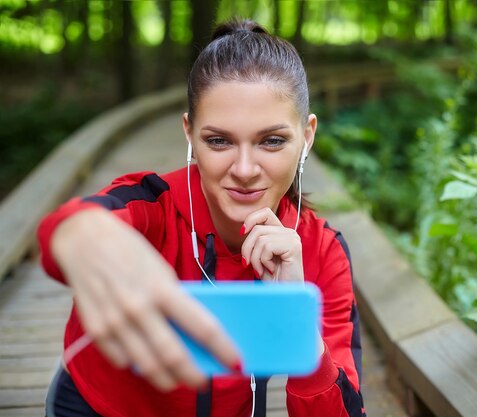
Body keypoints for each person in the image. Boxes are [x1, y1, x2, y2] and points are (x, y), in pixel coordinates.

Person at [37, 19, 366, 417]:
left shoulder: (322, 251)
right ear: (190, 134)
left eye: (272, 140)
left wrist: (294, 314)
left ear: (307, 136)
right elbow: (75, 226)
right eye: (219, 140)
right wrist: (81, 236)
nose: (245, 169)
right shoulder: (152, 206)